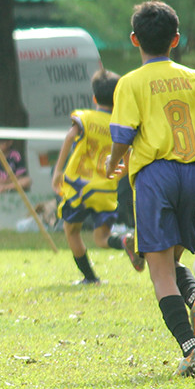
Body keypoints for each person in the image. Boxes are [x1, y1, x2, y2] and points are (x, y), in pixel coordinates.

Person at [106, 0, 195, 378]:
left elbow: (124, 134)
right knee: (168, 260)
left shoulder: (131, 83)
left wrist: (114, 159)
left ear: (134, 40)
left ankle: (191, 351)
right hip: (194, 175)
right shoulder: (194, 77)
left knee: (159, 273)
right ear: (175, 39)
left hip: (155, 176)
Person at [51, 69, 144, 285]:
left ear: (94, 98)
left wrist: (58, 172)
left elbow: (69, 137)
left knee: (71, 231)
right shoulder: (119, 124)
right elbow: (128, 152)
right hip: (105, 190)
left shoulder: (85, 118)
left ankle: (90, 278)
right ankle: (123, 241)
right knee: (101, 239)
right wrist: (127, 173)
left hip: (79, 187)